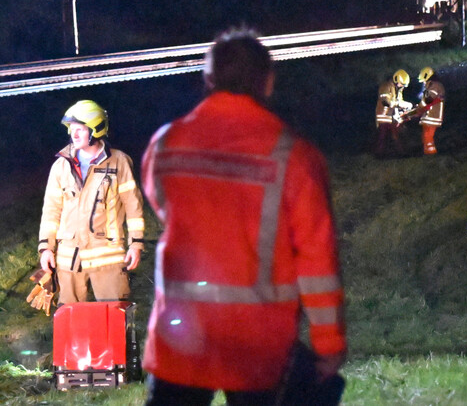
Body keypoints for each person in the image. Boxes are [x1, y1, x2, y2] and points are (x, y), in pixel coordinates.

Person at [141, 27, 346, 405]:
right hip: (258, 344)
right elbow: (317, 261)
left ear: (209, 79)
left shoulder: (166, 143)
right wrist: (328, 341)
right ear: (267, 83)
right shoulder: (294, 156)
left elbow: (160, 202)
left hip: (180, 339)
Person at [38, 99, 146, 304]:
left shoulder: (119, 162)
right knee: (70, 321)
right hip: (69, 259)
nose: (74, 134)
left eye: (80, 129)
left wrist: (136, 244)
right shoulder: (61, 166)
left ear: (96, 129)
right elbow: (51, 211)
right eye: (72, 129)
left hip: (108, 259)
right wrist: (46, 248)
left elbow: (133, 206)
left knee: (115, 319)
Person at [373, 69, 412, 157]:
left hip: (392, 116)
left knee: (396, 135)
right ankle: (379, 155)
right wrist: (397, 104)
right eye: (401, 84)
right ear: (396, 79)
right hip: (383, 115)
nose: (402, 86)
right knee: (382, 136)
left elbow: (399, 101)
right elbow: (385, 101)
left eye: (404, 85)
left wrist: (407, 105)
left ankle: (400, 153)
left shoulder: (398, 90)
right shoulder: (386, 86)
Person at [416, 66, 446, 155]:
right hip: (429, 115)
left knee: (427, 136)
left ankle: (431, 154)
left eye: (424, 81)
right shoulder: (431, 85)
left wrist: (416, 110)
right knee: (425, 136)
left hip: (432, 116)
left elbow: (427, 100)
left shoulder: (434, 86)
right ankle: (428, 153)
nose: (423, 83)